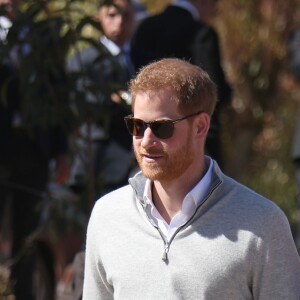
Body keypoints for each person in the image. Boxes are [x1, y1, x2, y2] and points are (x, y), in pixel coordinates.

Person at [83, 58, 300, 299]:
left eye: (161, 128)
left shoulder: (262, 222)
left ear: (200, 127)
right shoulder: (107, 216)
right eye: (136, 126)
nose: (145, 141)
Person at [131, 0, 231, 168]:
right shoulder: (201, 33)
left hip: (145, 137)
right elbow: (214, 90)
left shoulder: (144, 28)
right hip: (195, 144)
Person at [68, 0, 136, 199]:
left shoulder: (145, 58)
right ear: (99, 18)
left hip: (138, 158)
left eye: (127, 16)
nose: (120, 22)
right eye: (112, 15)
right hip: (100, 161)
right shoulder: (85, 61)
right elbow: (86, 105)